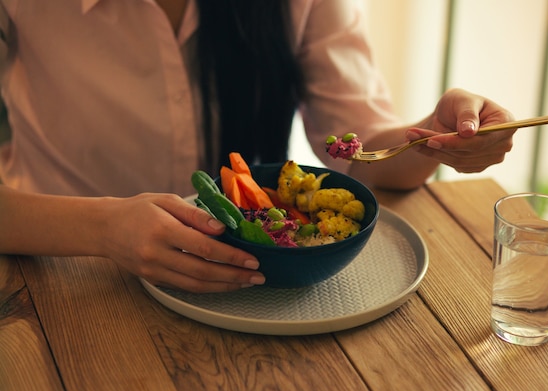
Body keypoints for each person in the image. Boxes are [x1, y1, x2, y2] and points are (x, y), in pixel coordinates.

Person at [0, 0, 514, 293]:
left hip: (251, 289)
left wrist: (436, 139)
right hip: (60, 276)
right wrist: (105, 229)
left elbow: (361, 154)